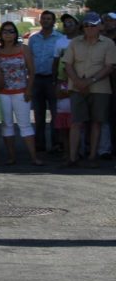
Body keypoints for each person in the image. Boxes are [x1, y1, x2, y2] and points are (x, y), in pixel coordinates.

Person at [62, 12, 116, 168]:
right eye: (86, 25)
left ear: (100, 26)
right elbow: (67, 64)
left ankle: (92, 157)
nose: (89, 28)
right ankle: (73, 157)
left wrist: (90, 81)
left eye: (93, 25)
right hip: (77, 87)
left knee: (97, 122)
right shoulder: (74, 43)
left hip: (100, 88)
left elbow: (109, 67)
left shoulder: (108, 44)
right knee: (76, 122)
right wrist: (78, 81)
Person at [0, 21, 44, 166]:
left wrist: (29, 89)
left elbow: (31, 71)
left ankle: (34, 157)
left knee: (25, 124)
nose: (8, 34)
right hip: (3, 93)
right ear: (1, 34)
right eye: (5, 31)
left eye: (11, 31)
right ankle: (11, 156)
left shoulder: (24, 49)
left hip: (21, 92)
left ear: (16, 33)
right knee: (7, 125)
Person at [28, 10, 61, 154]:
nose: (46, 21)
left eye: (49, 19)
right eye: (44, 18)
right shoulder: (33, 39)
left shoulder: (60, 38)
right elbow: (29, 59)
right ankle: (40, 144)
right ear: (40, 21)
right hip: (37, 79)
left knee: (55, 113)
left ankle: (56, 143)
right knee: (38, 115)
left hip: (52, 79)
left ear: (54, 22)